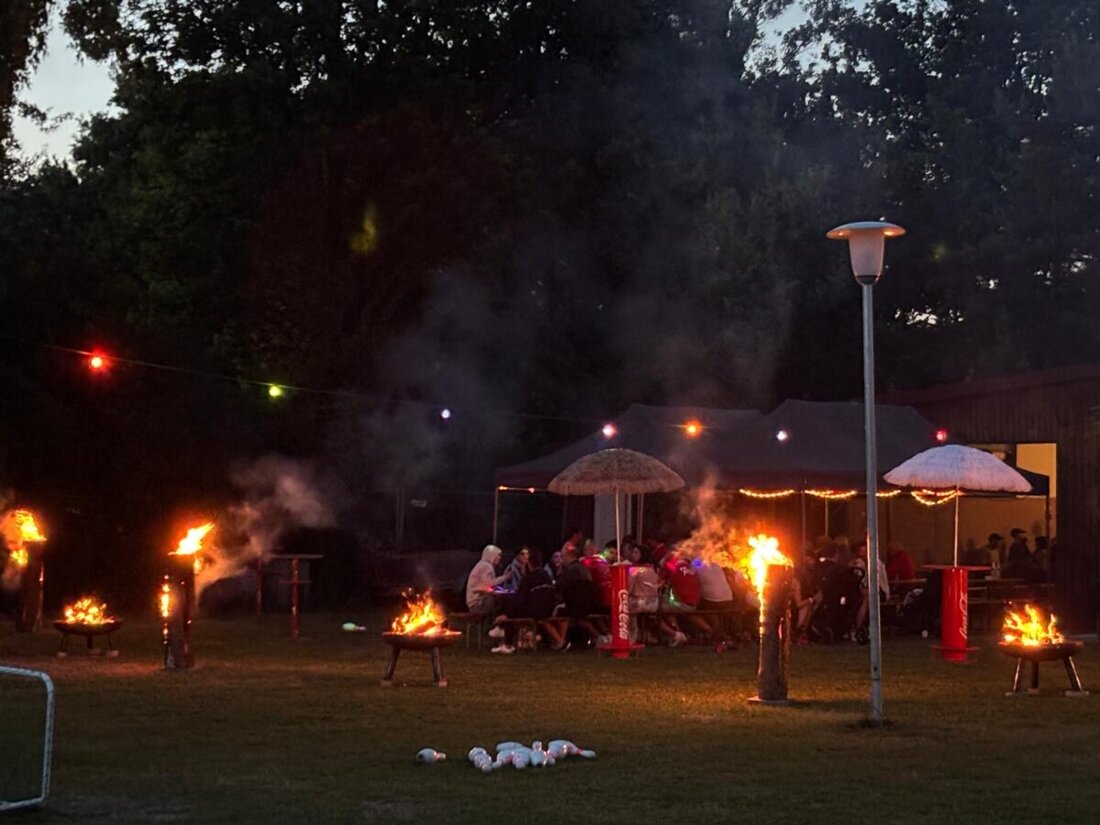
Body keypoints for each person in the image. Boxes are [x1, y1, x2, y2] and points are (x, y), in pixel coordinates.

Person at [555, 546, 608, 645]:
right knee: (594, 618)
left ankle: (598, 637)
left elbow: (560, 588)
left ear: (568, 556)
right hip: (592, 603)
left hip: (578, 605)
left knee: (575, 618)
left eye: (562, 557)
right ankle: (607, 635)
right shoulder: (584, 568)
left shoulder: (569, 570)